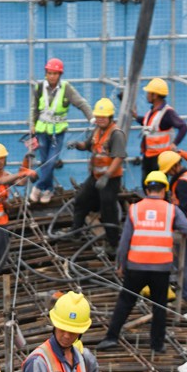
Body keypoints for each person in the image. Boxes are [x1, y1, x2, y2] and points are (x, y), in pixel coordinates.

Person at [96, 171, 187, 354]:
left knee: (125, 301)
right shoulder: (171, 210)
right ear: (165, 189)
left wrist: (120, 264)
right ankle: (157, 345)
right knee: (159, 306)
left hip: (136, 265)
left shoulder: (135, 209)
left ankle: (111, 337)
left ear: (146, 189)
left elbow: (124, 240)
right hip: (161, 267)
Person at [0, 141, 36, 306]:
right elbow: (1, 181)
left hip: (1, 221)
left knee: (1, 257)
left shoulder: (5, 174)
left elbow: (21, 182)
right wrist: (19, 175)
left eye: (2, 158)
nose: (0, 161)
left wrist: (25, 165)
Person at [66, 98, 126, 256]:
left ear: (110, 117)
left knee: (108, 211)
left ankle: (113, 245)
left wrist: (106, 176)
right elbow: (88, 145)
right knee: (81, 200)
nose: (100, 119)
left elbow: (119, 157)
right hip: (96, 177)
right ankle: (76, 232)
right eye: (98, 117)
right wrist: (77, 145)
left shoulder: (116, 134)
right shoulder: (97, 131)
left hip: (110, 179)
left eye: (103, 117)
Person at [30, 57, 93, 204]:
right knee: (45, 161)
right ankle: (48, 189)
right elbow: (34, 107)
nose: (52, 76)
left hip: (57, 132)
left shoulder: (66, 88)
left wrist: (91, 118)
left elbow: (81, 103)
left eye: (55, 73)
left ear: (60, 75)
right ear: (46, 73)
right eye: (49, 73)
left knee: (51, 161)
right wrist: (32, 124)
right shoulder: (39, 87)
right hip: (41, 130)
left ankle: (38, 186)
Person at [158, 149, 187, 305]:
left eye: (168, 170)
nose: (168, 174)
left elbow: (182, 210)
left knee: (182, 262)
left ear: (175, 166)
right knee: (184, 261)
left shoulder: (182, 183)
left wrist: (172, 224)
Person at [134, 78, 187, 182]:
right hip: (149, 155)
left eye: (149, 93)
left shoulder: (167, 112)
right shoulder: (152, 111)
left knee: (158, 184)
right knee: (146, 184)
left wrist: (174, 144)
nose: (147, 95)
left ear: (155, 95)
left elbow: (183, 127)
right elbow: (147, 124)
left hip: (160, 158)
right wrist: (136, 117)